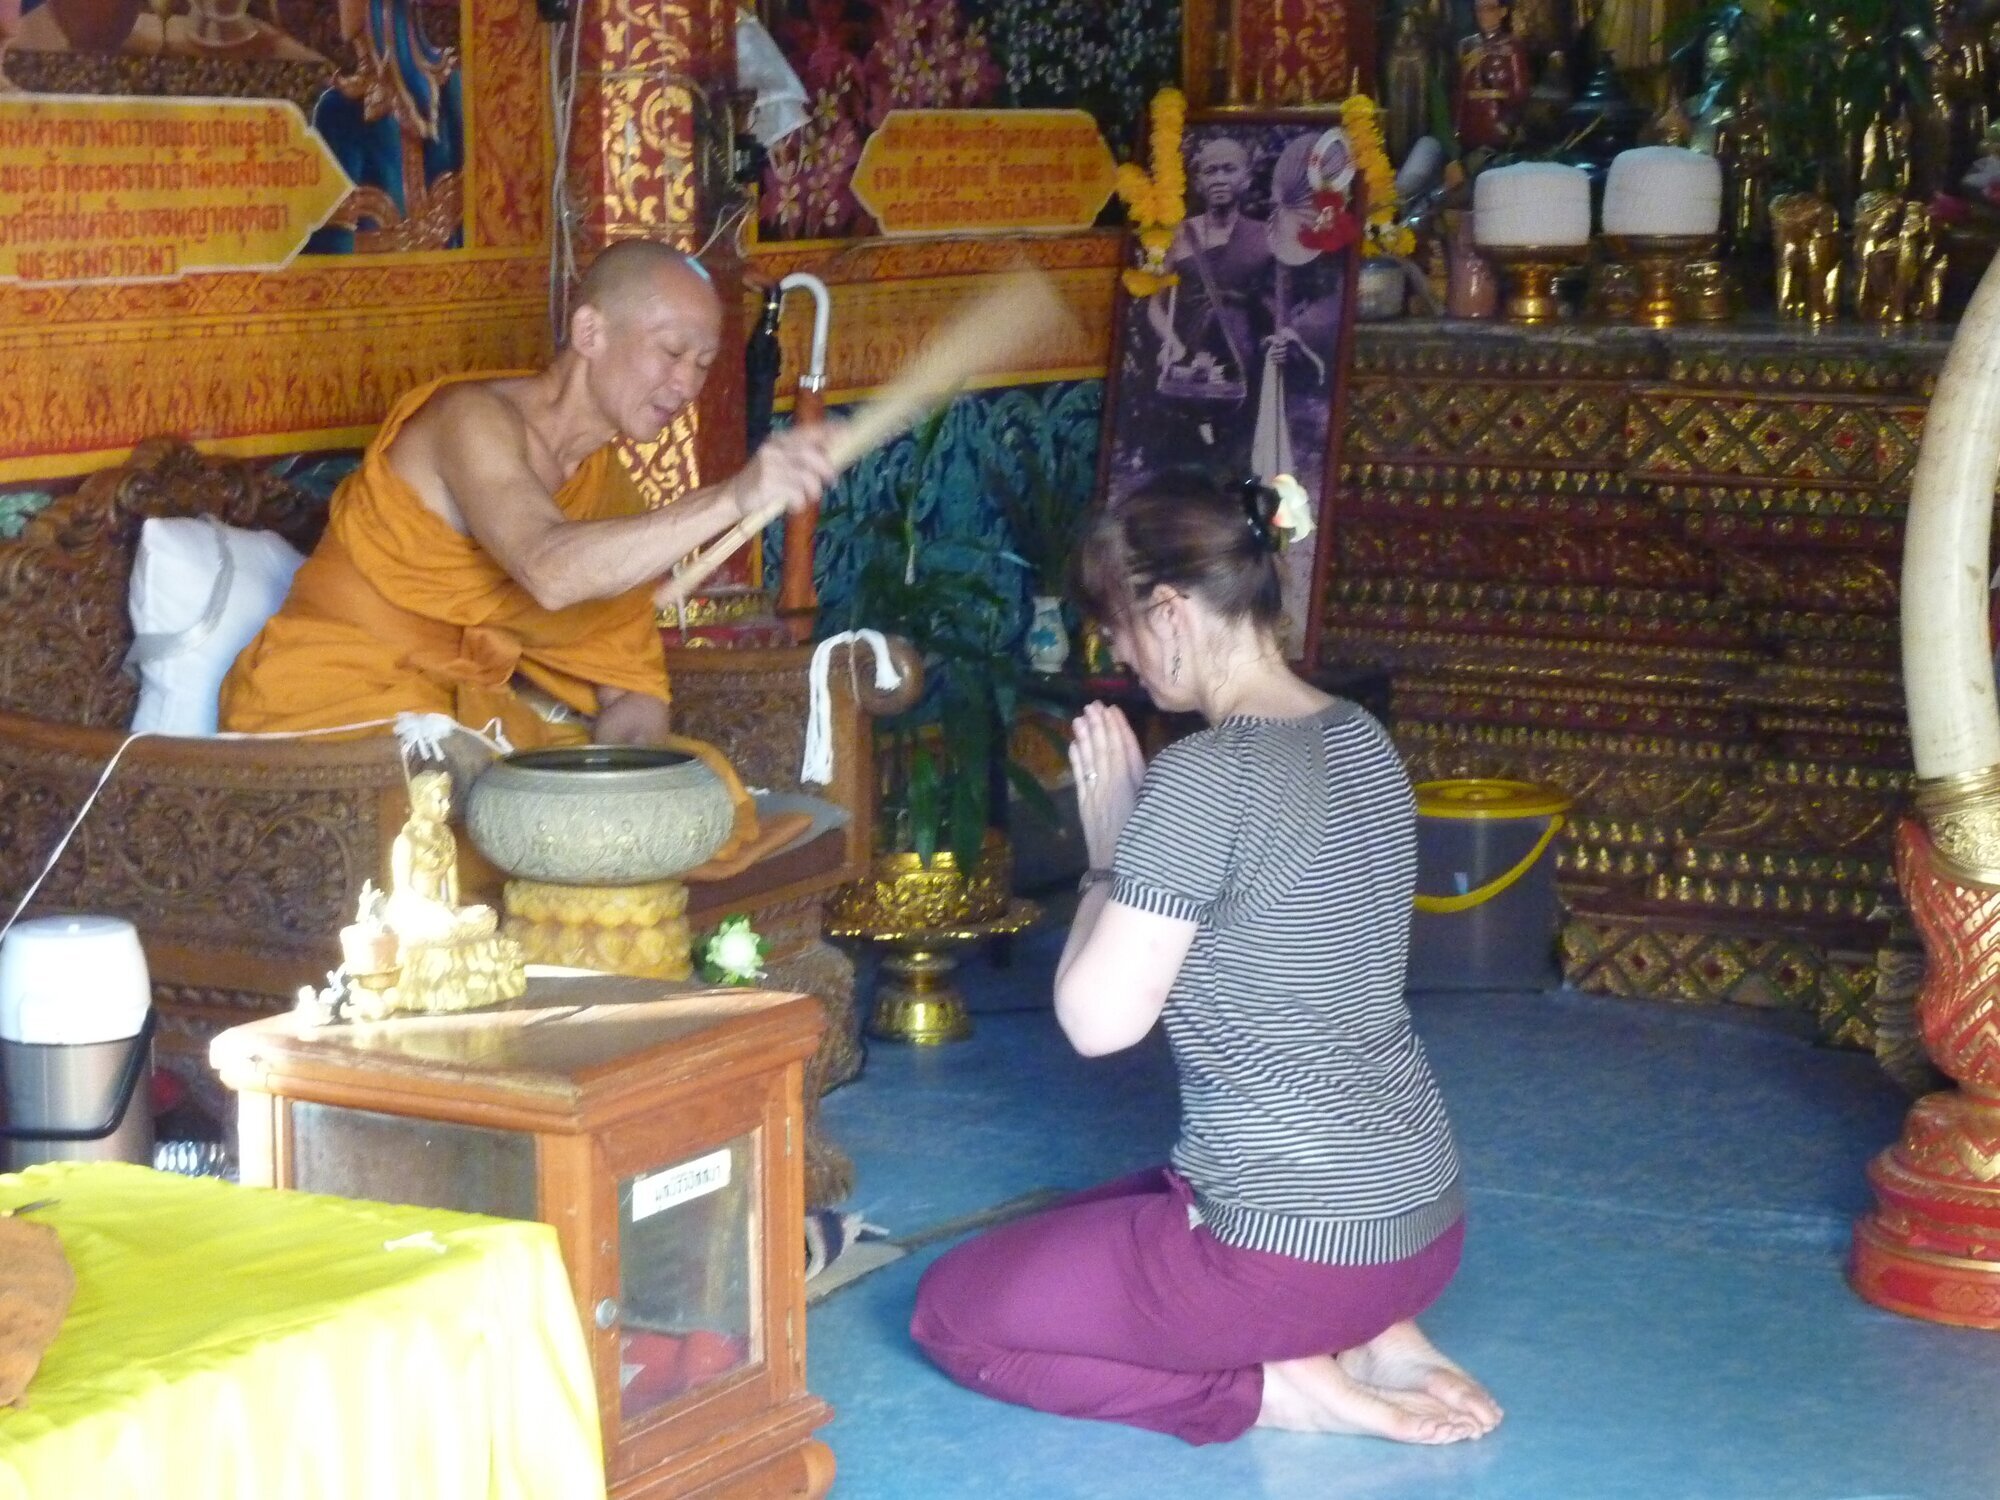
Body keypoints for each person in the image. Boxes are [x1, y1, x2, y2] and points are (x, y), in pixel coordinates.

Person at [909, 468, 1501, 1448]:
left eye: (1121, 627)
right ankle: (1374, 1335)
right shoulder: (1361, 739)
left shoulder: (1204, 777)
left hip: (1288, 1260)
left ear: (1172, 613)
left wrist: (1110, 848)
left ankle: (1279, 1391)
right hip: (1422, 1223)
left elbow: (1097, 1025)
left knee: (952, 1311)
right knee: (1111, 1205)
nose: (1120, 654)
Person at [222, 240, 839, 753]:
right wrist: (732, 499)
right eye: (672, 352)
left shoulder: (609, 492)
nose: (686, 384)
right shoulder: (471, 421)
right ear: (589, 331)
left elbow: (631, 690)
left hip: (461, 726)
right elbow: (548, 569)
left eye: (703, 364)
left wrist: (628, 783)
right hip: (329, 711)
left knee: (696, 794)